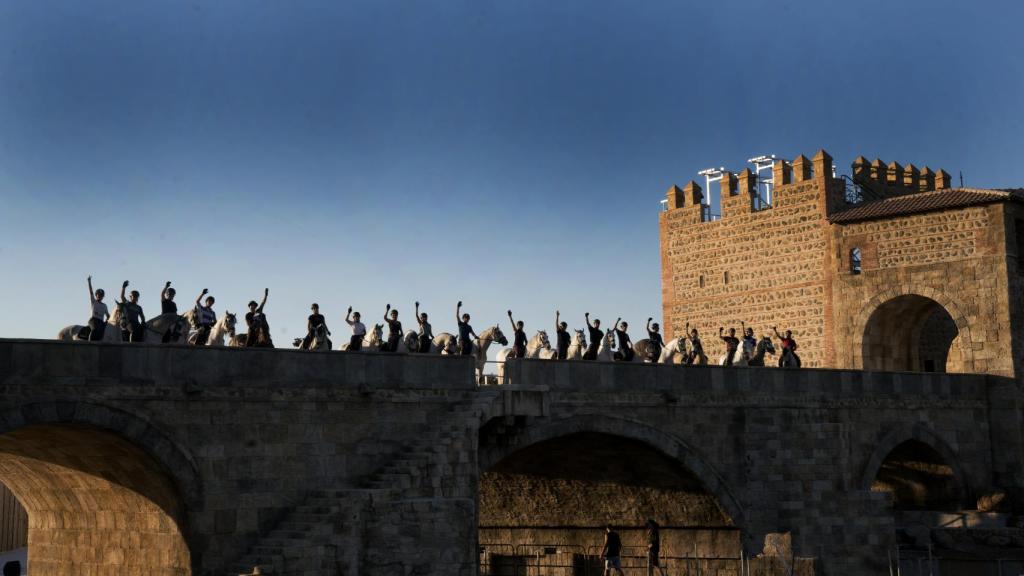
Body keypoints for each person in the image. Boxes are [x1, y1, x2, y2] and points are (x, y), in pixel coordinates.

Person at [85, 276, 109, 341]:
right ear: (96, 295)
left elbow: (108, 316)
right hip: (93, 320)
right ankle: (90, 343)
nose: (100, 296)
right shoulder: (93, 301)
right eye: (99, 295)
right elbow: (91, 292)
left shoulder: (104, 305)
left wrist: (106, 322)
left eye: (101, 295)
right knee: (95, 329)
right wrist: (89, 282)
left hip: (101, 322)